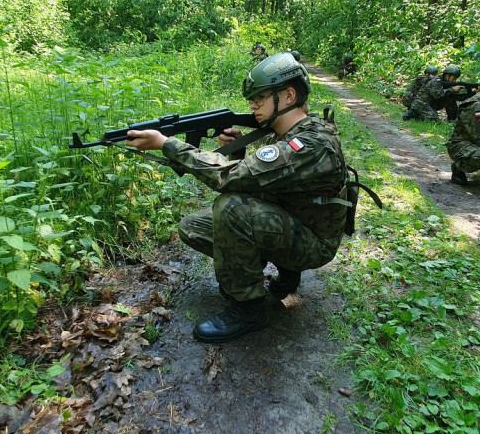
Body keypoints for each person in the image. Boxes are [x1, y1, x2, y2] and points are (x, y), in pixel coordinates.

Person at [125, 53, 349, 343]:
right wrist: (238, 150)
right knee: (193, 227)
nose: (253, 105)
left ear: (289, 94)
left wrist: (166, 144)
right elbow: (266, 181)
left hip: (314, 244)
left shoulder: (308, 143)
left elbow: (228, 179)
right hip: (298, 223)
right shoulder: (287, 132)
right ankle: (283, 272)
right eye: (252, 99)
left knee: (231, 209)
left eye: (260, 98)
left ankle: (248, 309)